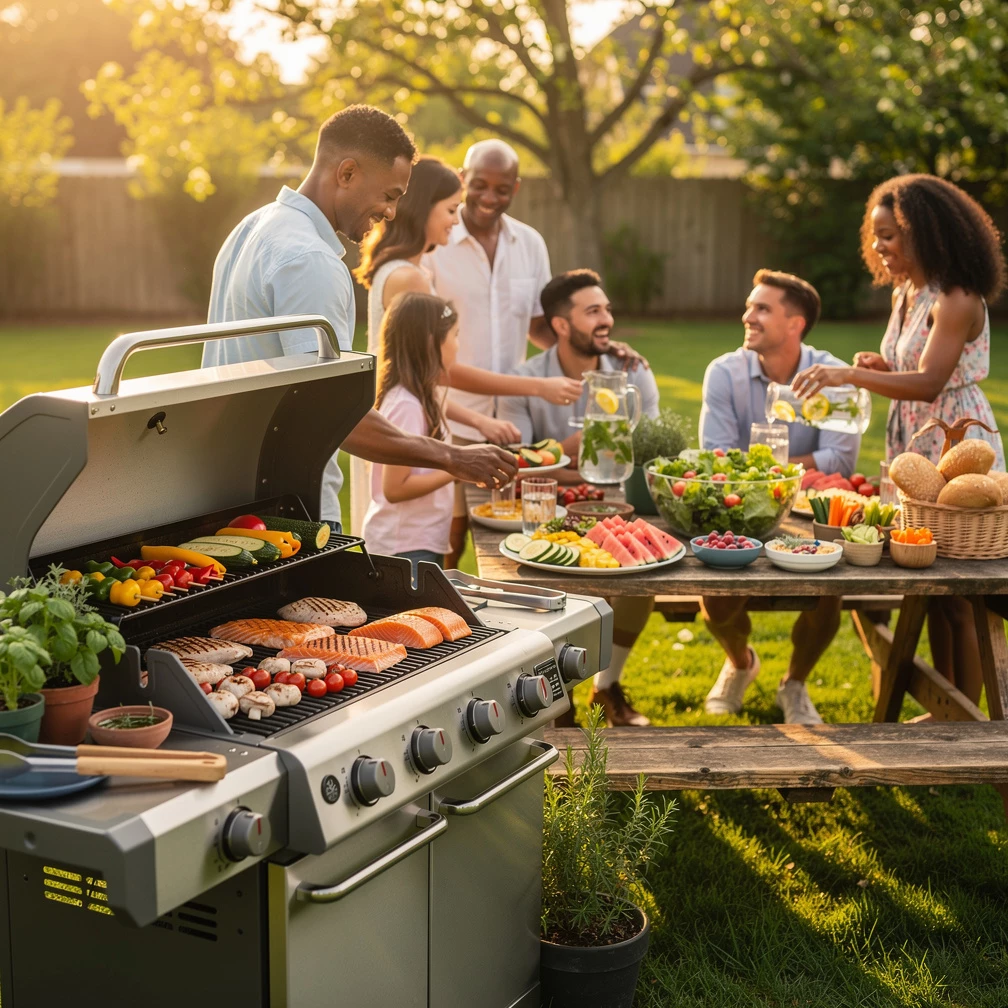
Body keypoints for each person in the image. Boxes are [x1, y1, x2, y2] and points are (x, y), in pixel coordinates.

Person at [202, 104, 516, 528]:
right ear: (347, 173)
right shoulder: (310, 260)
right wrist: (452, 456)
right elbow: (328, 410)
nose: (390, 213)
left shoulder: (252, 227)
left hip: (227, 493)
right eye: (389, 196)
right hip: (287, 512)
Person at [793, 174, 1006, 710]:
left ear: (925, 231)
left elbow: (933, 381)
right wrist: (880, 366)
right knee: (930, 590)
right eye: (875, 236)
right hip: (915, 442)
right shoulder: (907, 291)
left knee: (961, 596)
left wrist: (851, 377)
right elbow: (912, 370)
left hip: (954, 442)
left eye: (889, 235)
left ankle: (968, 724)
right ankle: (945, 708)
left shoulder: (957, 297)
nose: (878, 247)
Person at [426, 139, 645, 567]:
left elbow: (542, 325)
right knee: (447, 535)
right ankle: (442, 615)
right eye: (480, 185)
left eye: (502, 188)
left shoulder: (530, 244)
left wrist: (600, 345)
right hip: (450, 411)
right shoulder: (438, 244)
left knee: (511, 534)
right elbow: (426, 347)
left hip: (511, 421)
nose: (490, 197)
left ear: (516, 188)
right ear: (462, 180)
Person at [349, 156, 583, 535]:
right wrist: (539, 387)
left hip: (422, 417)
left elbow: (423, 377)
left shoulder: (416, 270)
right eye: (450, 209)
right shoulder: (410, 278)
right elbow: (440, 371)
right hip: (409, 425)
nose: (456, 220)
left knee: (440, 535)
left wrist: (478, 421)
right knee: (416, 537)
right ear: (423, 207)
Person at [698, 270, 861, 724]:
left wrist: (768, 466)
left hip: (814, 517)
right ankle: (741, 663)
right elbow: (718, 459)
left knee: (829, 593)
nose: (747, 315)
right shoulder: (724, 373)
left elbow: (842, 463)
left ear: (796, 323)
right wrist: (799, 466)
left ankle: (794, 683)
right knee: (716, 602)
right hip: (742, 518)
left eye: (762, 308)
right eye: (750, 306)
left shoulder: (835, 374)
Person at [498, 270, 660, 726]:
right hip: (549, 514)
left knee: (640, 585)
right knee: (549, 591)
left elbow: (646, 454)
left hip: (620, 508)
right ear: (561, 325)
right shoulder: (525, 380)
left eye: (607, 308)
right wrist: (590, 449)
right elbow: (519, 466)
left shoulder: (634, 372)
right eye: (593, 311)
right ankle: (560, 699)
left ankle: (607, 687)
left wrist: (561, 464)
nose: (607, 319)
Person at [361, 292, 459, 575]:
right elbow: (395, 488)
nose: (458, 344)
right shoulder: (406, 405)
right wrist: (457, 468)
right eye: (455, 335)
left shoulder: (422, 395)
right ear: (431, 342)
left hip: (419, 542)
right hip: (404, 551)